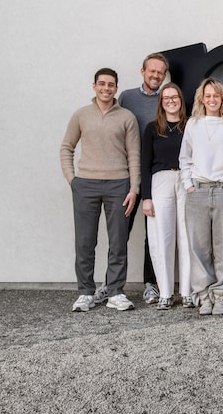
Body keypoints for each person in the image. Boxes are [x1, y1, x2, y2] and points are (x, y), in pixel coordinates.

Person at [60, 68, 140, 312]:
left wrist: (134, 188)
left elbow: (134, 155)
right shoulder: (81, 115)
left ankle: (115, 292)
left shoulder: (127, 117)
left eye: (111, 84)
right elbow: (66, 147)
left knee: (118, 241)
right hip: (86, 184)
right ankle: (85, 292)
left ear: (116, 88)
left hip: (119, 185)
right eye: (102, 84)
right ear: (94, 86)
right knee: (85, 242)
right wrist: (73, 180)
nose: (106, 88)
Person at [179, 78, 223, 315]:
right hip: (197, 190)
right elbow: (185, 157)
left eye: (216, 95)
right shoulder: (193, 124)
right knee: (199, 246)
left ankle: (221, 294)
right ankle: (203, 295)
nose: (212, 99)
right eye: (208, 96)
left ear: (222, 98)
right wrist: (188, 185)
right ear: (202, 98)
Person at [111, 52, 169, 306]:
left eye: (160, 72)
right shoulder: (127, 98)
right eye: (152, 71)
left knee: (152, 233)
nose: (156, 75)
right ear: (142, 71)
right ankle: (113, 285)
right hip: (128, 173)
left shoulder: (168, 99)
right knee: (120, 230)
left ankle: (150, 284)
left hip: (155, 174)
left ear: (165, 75)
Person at [140, 83, 194, 310]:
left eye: (175, 97)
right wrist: (146, 197)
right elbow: (144, 164)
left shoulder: (191, 125)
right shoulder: (153, 129)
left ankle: (188, 292)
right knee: (162, 237)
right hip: (160, 181)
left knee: (187, 236)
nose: (171, 101)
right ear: (161, 103)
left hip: (186, 180)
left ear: (181, 100)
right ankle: (165, 292)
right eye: (166, 98)